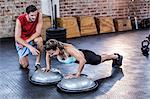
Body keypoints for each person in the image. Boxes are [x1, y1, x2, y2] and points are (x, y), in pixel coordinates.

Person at [43, 39, 123, 78]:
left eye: (52, 53)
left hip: (87, 57)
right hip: (78, 56)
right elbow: (47, 55)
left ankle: (115, 56)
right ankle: (107, 55)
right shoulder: (51, 49)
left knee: (98, 60)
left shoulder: (69, 50)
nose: (50, 55)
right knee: (100, 57)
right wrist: (48, 67)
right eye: (49, 53)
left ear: (57, 48)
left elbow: (83, 60)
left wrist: (77, 75)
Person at [15, 5, 43, 69]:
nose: (34, 17)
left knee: (40, 40)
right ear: (27, 14)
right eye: (32, 15)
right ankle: (22, 57)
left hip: (33, 37)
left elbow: (38, 32)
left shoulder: (39, 15)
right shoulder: (20, 19)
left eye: (35, 15)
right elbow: (17, 38)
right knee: (25, 65)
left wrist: (27, 41)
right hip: (22, 39)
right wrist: (30, 47)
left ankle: (37, 63)